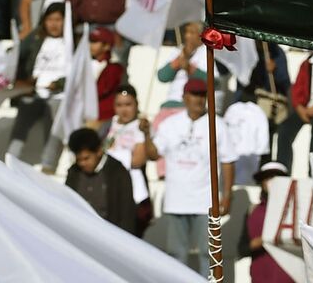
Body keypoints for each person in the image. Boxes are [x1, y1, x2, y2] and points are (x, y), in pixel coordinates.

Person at [153, 79, 235, 273]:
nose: (198, 99)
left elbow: (228, 161)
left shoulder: (218, 124)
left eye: (202, 95)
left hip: (204, 201)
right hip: (176, 200)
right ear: (184, 97)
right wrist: (145, 135)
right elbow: (153, 153)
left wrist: (227, 195)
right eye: (194, 94)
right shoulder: (170, 124)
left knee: (209, 253)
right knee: (176, 253)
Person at [9, 3, 71, 170]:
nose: (54, 24)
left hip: (58, 95)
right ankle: (11, 159)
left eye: (58, 19)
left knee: (54, 120)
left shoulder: (73, 42)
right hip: (34, 91)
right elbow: (15, 55)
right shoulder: (37, 37)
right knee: (23, 118)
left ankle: (48, 164)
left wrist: (58, 84)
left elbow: (78, 72)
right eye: (50, 19)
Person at [101, 85, 154, 235]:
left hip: (131, 190)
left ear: (136, 104)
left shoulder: (141, 126)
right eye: (119, 105)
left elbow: (137, 159)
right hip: (108, 188)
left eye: (128, 104)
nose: (124, 110)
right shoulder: (108, 125)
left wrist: (112, 155)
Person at [64, 127, 136, 233]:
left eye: (86, 158)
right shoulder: (74, 173)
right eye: (79, 160)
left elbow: (126, 212)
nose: (82, 164)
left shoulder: (117, 172)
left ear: (99, 151)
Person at [241, 161, 296, 283]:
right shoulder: (252, 211)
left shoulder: (297, 210)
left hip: (289, 278)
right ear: (262, 183)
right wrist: (261, 241)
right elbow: (242, 249)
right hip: (260, 277)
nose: (272, 182)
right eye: (268, 178)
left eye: (276, 177)